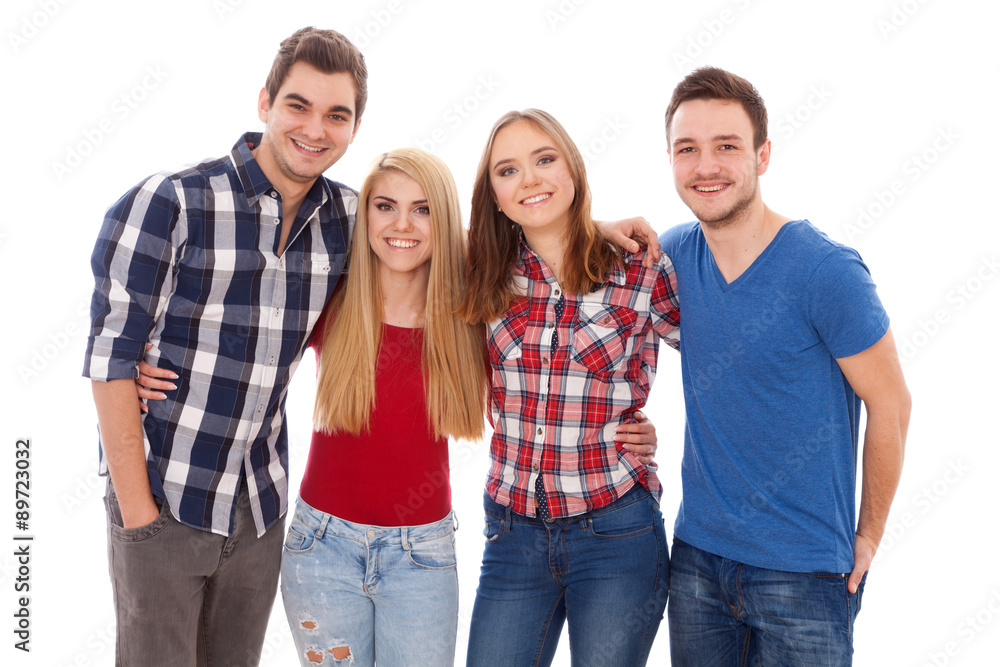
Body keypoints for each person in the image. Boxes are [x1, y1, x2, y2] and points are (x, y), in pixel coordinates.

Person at [82, 27, 366, 665]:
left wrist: (585, 224)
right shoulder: (172, 201)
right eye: (298, 105)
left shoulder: (350, 219)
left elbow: (462, 248)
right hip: (166, 496)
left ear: (354, 128)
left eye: (336, 115)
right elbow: (110, 361)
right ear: (265, 102)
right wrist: (139, 516)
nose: (315, 129)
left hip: (259, 509)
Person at [658, 67, 911, 666]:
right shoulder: (671, 258)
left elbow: (892, 404)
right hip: (696, 563)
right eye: (687, 150)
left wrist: (869, 534)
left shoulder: (826, 272)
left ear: (762, 155)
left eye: (727, 146)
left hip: (804, 575)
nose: (706, 166)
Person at [460, 109, 680, 667]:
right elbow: (402, 236)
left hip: (615, 531)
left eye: (544, 159)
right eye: (507, 170)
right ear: (495, 194)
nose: (529, 179)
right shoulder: (482, 271)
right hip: (512, 532)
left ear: (573, 168)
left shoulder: (641, 269)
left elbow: (725, 366)